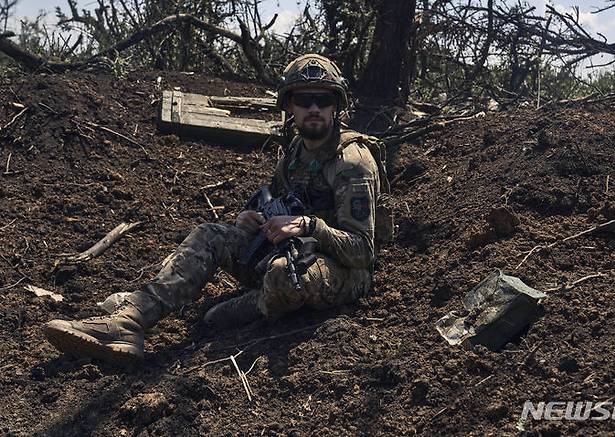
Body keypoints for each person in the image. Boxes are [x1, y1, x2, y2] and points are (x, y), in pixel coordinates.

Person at [43, 54, 390, 365]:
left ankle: (256, 303)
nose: (314, 108)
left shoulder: (353, 162)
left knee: (284, 275)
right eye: (304, 99)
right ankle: (130, 319)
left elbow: (363, 251)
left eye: (323, 99)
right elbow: (277, 203)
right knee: (210, 235)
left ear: (335, 106)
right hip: (291, 253)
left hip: (341, 271)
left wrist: (309, 226)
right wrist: (252, 218)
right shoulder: (295, 153)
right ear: (289, 106)